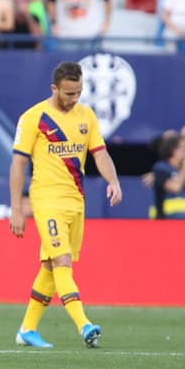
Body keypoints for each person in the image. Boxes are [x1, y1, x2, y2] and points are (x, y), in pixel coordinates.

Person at [9, 61, 122, 349]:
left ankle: (27, 329)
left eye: (79, 93)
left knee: (49, 265)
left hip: (75, 200)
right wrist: (16, 208)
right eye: (69, 93)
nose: (74, 99)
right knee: (62, 262)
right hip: (46, 199)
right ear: (54, 89)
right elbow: (18, 164)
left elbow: (100, 154)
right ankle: (84, 325)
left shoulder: (87, 116)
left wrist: (113, 181)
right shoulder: (33, 117)